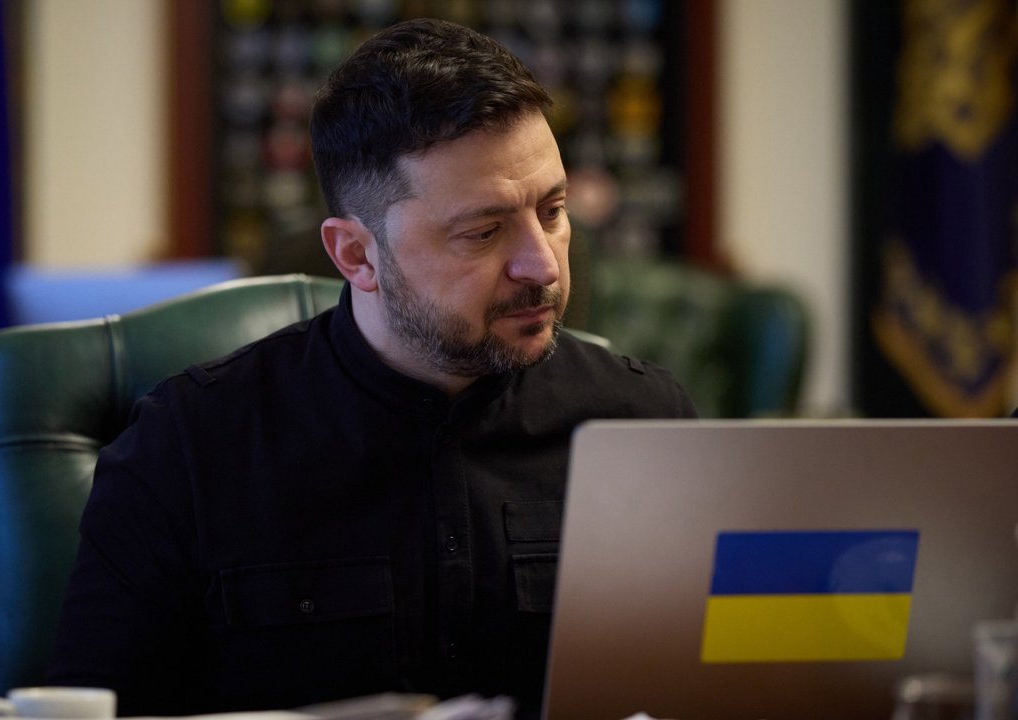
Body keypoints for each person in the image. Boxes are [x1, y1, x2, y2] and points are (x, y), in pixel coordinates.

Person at [48, 18, 697, 718]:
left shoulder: (641, 423)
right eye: (482, 232)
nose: (541, 263)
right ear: (356, 255)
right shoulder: (189, 447)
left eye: (553, 211)